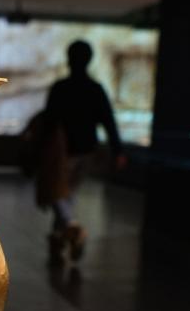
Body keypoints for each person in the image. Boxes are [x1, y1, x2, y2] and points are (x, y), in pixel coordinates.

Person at [37, 40, 125, 263]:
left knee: (58, 195)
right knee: (67, 195)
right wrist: (118, 151)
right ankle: (58, 240)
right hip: (86, 152)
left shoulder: (60, 88)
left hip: (61, 153)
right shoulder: (95, 89)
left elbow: (48, 121)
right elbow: (109, 121)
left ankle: (72, 230)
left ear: (69, 58)